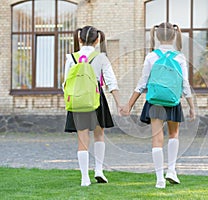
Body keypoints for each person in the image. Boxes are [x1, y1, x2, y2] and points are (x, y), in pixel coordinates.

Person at [121, 22, 195, 189]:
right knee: (174, 134)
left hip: (155, 101)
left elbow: (142, 83)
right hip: (173, 100)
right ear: (174, 35)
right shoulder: (179, 57)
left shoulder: (151, 56)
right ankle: (171, 170)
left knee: (157, 139)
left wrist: (129, 105)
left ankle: (159, 179)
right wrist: (191, 106)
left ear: (156, 36)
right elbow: (185, 84)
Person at [63, 25, 120, 186]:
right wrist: (119, 103)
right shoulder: (101, 57)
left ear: (80, 39)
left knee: (82, 139)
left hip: (78, 101)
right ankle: (99, 170)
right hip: (96, 98)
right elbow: (111, 82)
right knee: (99, 135)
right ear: (97, 39)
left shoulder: (71, 58)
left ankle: (84, 178)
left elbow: (65, 83)